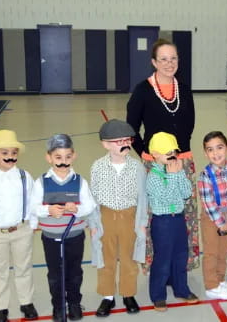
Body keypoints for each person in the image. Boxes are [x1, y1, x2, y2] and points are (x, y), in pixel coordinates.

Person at [127, 38, 199, 273]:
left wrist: (180, 157)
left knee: (185, 215)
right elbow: (131, 129)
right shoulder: (143, 90)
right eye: (164, 59)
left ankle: (183, 264)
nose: (169, 63)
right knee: (155, 218)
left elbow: (189, 125)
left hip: (183, 161)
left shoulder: (184, 88)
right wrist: (148, 154)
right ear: (154, 62)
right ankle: (155, 265)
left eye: (174, 58)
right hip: (154, 165)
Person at [30, 134, 97, 322]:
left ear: (73, 156)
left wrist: (77, 208)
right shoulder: (41, 182)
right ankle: (58, 306)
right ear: (49, 158)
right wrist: (48, 210)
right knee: (55, 273)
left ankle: (74, 303)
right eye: (58, 158)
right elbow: (33, 207)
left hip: (74, 236)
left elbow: (90, 205)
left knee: (75, 271)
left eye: (68, 157)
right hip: (51, 237)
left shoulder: (79, 181)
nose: (63, 162)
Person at [0, 130, 38, 322]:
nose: (10, 157)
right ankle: (1, 307)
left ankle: (26, 302)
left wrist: (32, 225)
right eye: (4, 153)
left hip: (21, 230)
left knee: (23, 267)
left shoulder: (24, 176)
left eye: (13, 153)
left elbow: (32, 201)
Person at [90, 119, 148, 317]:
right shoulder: (98, 167)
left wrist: (141, 223)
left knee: (128, 258)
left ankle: (128, 293)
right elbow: (93, 197)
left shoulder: (137, 167)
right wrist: (94, 223)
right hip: (105, 216)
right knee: (106, 259)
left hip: (129, 216)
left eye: (127, 140)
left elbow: (142, 197)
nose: (125, 144)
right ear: (106, 144)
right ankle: (107, 296)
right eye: (118, 141)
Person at [146, 132, 199, 311]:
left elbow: (186, 193)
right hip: (162, 223)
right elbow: (167, 198)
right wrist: (173, 176)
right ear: (154, 154)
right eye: (166, 152)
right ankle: (158, 295)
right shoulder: (153, 177)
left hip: (178, 220)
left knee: (180, 256)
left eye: (173, 151)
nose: (171, 155)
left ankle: (181, 289)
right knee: (162, 259)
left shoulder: (177, 170)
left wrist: (178, 175)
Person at [197, 131, 227, 300]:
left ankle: (220, 279)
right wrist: (221, 223)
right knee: (211, 252)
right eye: (210, 150)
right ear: (205, 153)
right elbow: (208, 203)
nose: (215, 153)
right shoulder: (205, 176)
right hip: (212, 219)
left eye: (219, 148)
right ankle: (211, 285)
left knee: (223, 251)